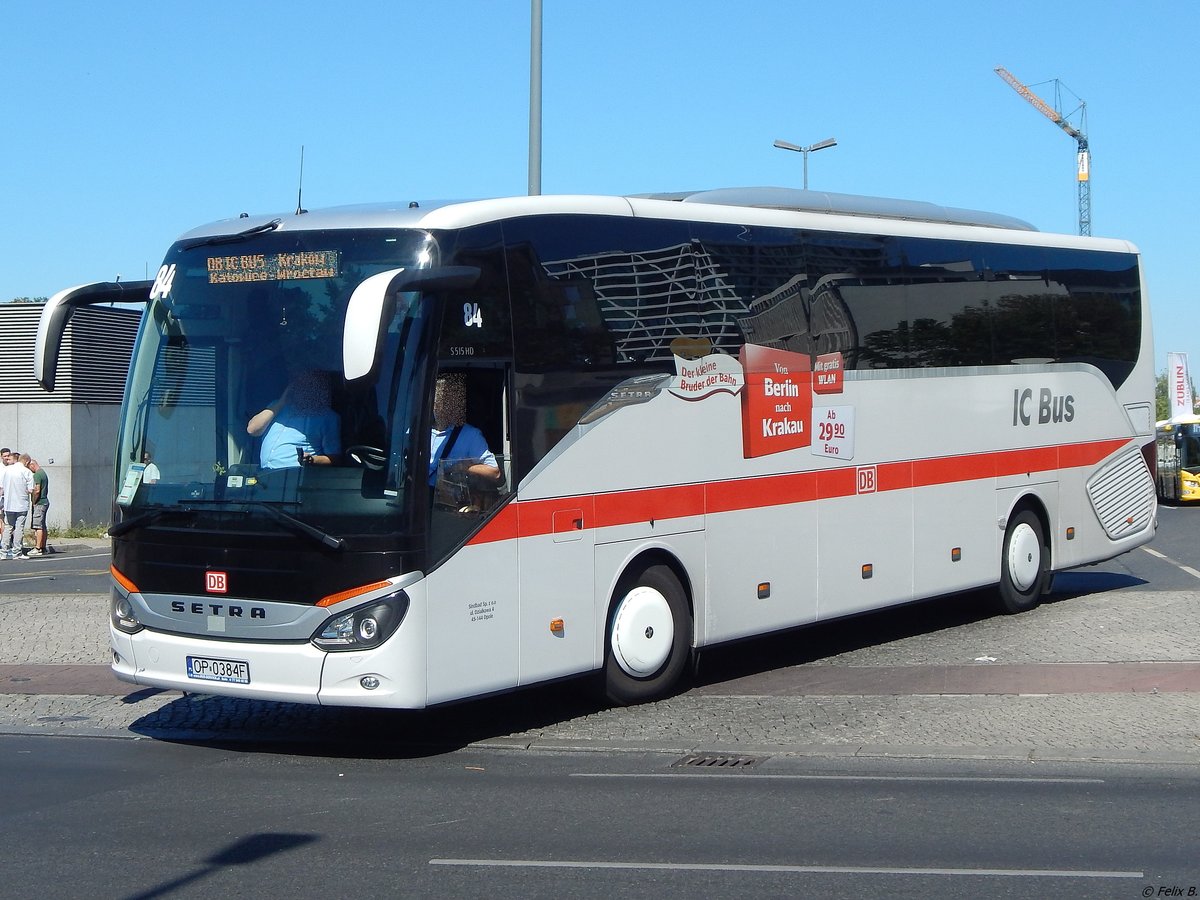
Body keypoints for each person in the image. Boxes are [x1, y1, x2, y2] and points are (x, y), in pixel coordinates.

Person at [247, 369, 341, 469]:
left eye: (307, 385)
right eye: (298, 384)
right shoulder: (276, 407)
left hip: (295, 478)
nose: (301, 389)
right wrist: (281, 402)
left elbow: (335, 459)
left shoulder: (327, 417)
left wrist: (313, 460)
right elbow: (252, 430)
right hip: (264, 476)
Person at [428, 372, 502, 487]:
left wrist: (462, 467)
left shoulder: (471, 435)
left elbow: (494, 472)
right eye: (438, 402)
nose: (442, 407)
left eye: (448, 402)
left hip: (448, 501)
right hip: (416, 497)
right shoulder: (417, 431)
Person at [1, 452, 35, 560]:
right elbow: (30, 490)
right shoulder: (26, 472)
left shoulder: (7, 470)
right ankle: (17, 552)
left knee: (8, 527)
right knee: (19, 528)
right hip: (21, 504)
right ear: (27, 461)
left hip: (8, 503)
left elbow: (2, 487)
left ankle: (3, 552)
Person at [26, 458, 50, 556]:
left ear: (32, 465)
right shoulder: (43, 473)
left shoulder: (37, 475)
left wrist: (34, 501)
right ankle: (43, 547)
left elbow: (37, 490)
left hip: (40, 502)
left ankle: (38, 548)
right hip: (45, 502)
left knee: (38, 526)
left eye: (29, 468)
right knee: (43, 525)